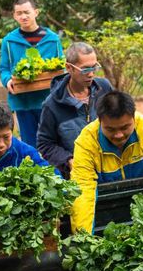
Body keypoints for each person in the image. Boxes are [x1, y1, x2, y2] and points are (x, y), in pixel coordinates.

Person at [70, 91, 143, 233]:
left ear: (134, 118)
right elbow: (82, 190)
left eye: (125, 127)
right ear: (100, 121)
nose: (119, 135)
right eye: (110, 129)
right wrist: (83, 237)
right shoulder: (86, 142)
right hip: (107, 209)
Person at [37, 42, 113, 178]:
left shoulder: (105, 89)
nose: (91, 74)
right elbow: (45, 144)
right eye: (85, 69)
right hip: (78, 175)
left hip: (111, 167)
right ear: (69, 68)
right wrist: (68, 160)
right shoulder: (52, 104)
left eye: (94, 67)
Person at [0, 0, 64, 148]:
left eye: (27, 12)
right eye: (19, 13)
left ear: (36, 12)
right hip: (23, 102)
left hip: (49, 101)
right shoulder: (8, 41)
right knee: (29, 146)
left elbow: (62, 69)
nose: (23, 16)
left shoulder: (52, 39)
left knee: (52, 142)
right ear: (15, 16)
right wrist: (8, 80)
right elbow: (4, 69)